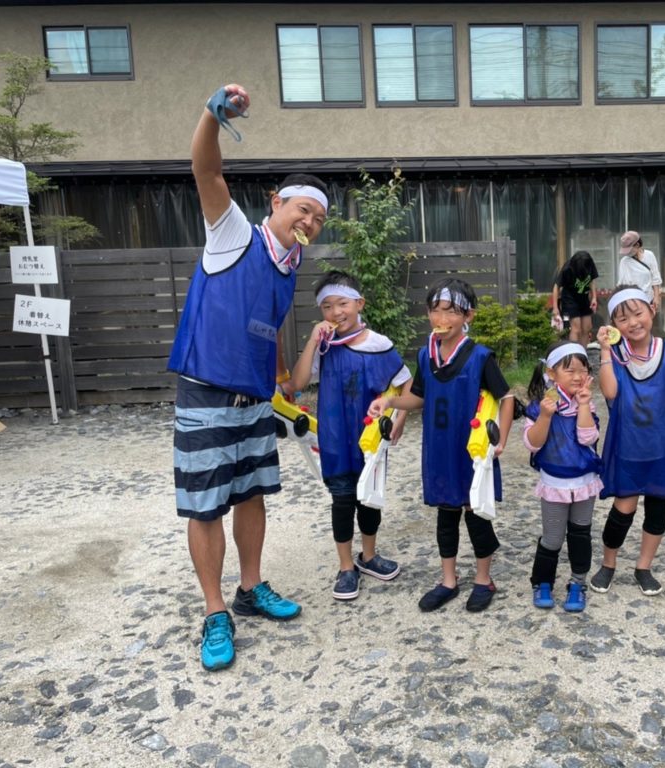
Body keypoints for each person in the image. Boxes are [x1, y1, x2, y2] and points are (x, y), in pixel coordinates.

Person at [168, 84, 328, 671]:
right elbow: (206, 171)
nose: (309, 221)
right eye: (302, 209)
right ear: (276, 202)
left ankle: (250, 587)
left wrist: (281, 377)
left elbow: (266, 325)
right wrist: (213, 114)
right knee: (206, 505)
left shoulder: (291, 262)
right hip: (206, 393)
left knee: (252, 495)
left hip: (256, 398)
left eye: (318, 218)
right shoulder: (233, 232)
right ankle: (215, 611)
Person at [367, 278, 515, 612]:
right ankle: (448, 580)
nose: (441, 318)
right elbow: (418, 397)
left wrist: (501, 440)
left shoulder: (480, 357)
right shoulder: (425, 355)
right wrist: (389, 402)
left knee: (477, 514)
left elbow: (506, 398)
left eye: (451, 311)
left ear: (468, 316)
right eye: (435, 310)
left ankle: (483, 579)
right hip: (438, 449)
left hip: (472, 451)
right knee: (445, 516)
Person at [289, 271, 412, 601]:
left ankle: (368, 556)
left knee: (370, 498)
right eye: (327, 306)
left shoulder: (379, 344)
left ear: (360, 303)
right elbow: (298, 383)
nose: (335, 312)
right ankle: (346, 567)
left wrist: (399, 419)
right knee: (342, 501)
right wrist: (312, 341)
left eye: (342, 303)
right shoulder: (325, 346)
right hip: (334, 437)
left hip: (370, 438)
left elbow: (406, 382)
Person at [589, 286, 665, 596]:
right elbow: (610, 392)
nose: (633, 322)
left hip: (664, 445)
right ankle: (608, 563)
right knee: (623, 509)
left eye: (638, 313)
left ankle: (644, 567)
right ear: (614, 325)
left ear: (652, 310)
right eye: (623, 318)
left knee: (658, 509)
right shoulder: (616, 356)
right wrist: (605, 350)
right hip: (628, 444)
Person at [523, 341, 602, 613]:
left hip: (584, 482)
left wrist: (584, 405)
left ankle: (578, 583)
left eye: (583, 370)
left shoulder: (586, 404)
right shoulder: (539, 406)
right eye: (570, 370)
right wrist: (546, 416)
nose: (578, 376)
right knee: (553, 538)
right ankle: (542, 582)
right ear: (551, 373)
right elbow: (533, 444)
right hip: (554, 483)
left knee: (581, 534)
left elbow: (588, 438)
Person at [551, 250, 599, 344]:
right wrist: (555, 308)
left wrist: (594, 297)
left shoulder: (589, 264)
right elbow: (556, 287)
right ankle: (574, 352)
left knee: (587, 327)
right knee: (576, 328)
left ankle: (583, 351)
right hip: (570, 299)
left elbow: (591, 280)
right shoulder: (567, 268)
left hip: (584, 298)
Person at [617, 231, 662, 314]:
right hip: (631, 300)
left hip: (648, 299)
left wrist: (656, 297)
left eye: (629, 249)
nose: (627, 253)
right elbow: (621, 283)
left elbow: (655, 278)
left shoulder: (649, 255)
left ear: (637, 245)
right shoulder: (624, 261)